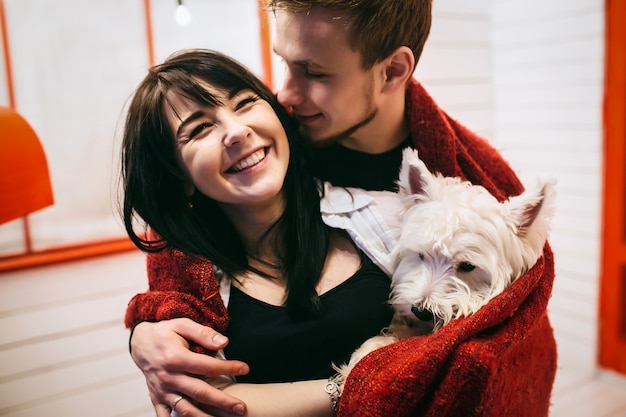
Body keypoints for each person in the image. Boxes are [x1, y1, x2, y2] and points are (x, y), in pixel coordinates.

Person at [126, 1, 558, 416]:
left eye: (314, 71)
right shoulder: (277, 149)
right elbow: (180, 256)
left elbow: (519, 313)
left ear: (392, 71)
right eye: (285, 63)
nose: (286, 94)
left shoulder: (468, 173)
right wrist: (145, 330)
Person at [121, 48, 396, 417]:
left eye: (245, 102)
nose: (236, 131)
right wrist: (360, 386)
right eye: (200, 128)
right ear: (179, 177)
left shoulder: (375, 213)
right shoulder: (192, 285)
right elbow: (206, 404)